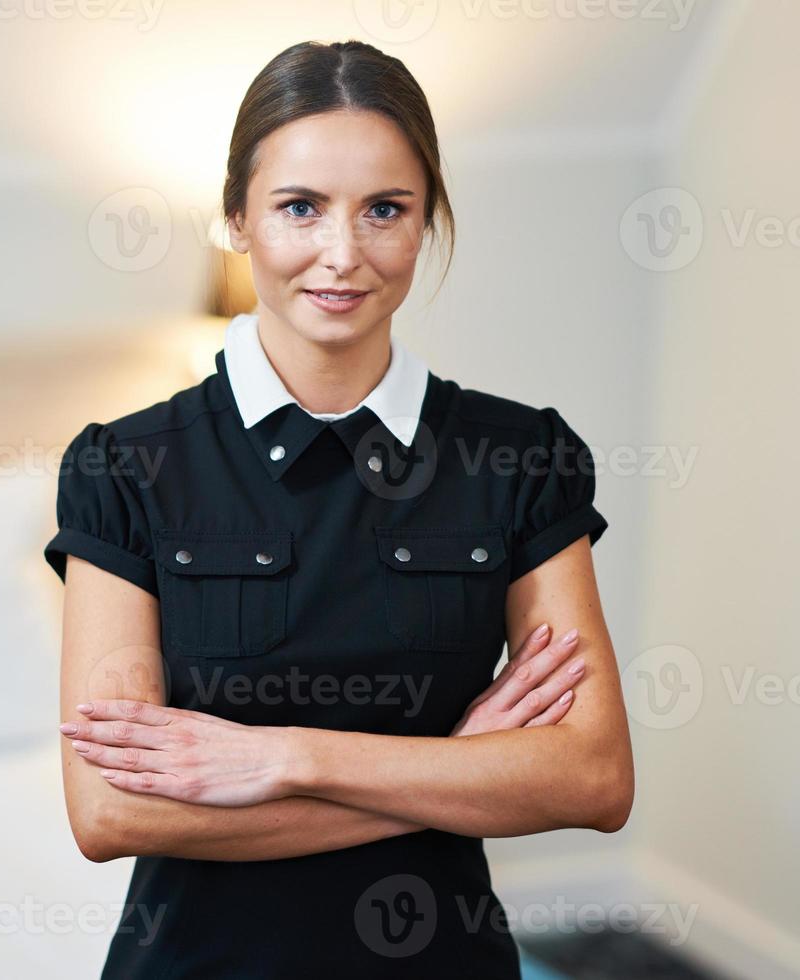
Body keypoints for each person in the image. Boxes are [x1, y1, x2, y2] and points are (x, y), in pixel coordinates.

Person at [43, 39, 634, 980]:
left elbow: (594, 778)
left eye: (385, 211)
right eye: (299, 208)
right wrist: (449, 767)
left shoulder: (519, 458)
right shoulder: (126, 468)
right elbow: (112, 813)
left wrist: (288, 757)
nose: (342, 255)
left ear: (426, 221)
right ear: (236, 217)